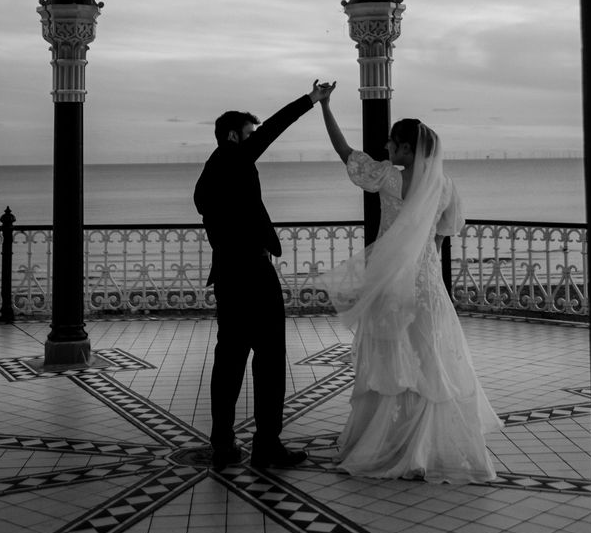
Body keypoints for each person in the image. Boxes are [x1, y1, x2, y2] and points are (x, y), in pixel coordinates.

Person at [318, 85, 501, 481]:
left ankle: (391, 443)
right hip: (428, 282)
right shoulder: (445, 186)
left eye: (391, 143)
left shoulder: (388, 177)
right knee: (432, 360)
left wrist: (326, 107)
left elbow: (345, 153)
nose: (386, 147)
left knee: (393, 361)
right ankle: (426, 448)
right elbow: (440, 234)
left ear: (404, 148)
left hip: (393, 284)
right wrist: (426, 266)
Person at [194, 80, 333, 471]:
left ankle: (223, 443)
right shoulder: (231, 159)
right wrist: (311, 100)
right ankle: (266, 445)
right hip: (252, 274)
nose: (255, 141)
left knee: (230, 359)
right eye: (249, 135)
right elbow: (274, 128)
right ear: (234, 136)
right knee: (270, 359)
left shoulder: (208, 177)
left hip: (227, 276)